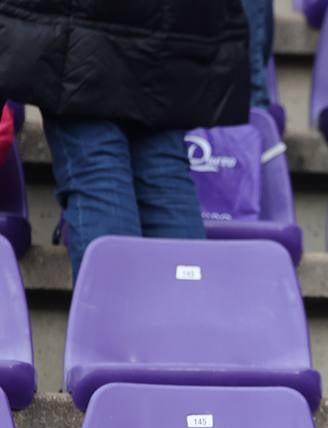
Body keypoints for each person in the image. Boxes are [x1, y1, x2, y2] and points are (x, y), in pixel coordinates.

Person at [0, 0, 251, 276]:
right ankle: (186, 313)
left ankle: (115, 316)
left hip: (86, 21)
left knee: (95, 161)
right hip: (179, 18)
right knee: (164, 168)